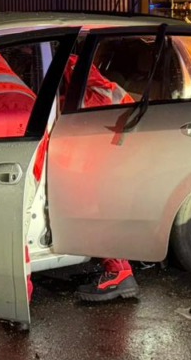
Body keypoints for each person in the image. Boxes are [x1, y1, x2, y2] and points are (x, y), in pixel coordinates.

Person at [58, 52, 142, 303]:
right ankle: (118, 269)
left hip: (107, 168)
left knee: (97, 210)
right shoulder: (102, 88)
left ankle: (119, 273)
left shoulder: (89, 94)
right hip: (117, 164)